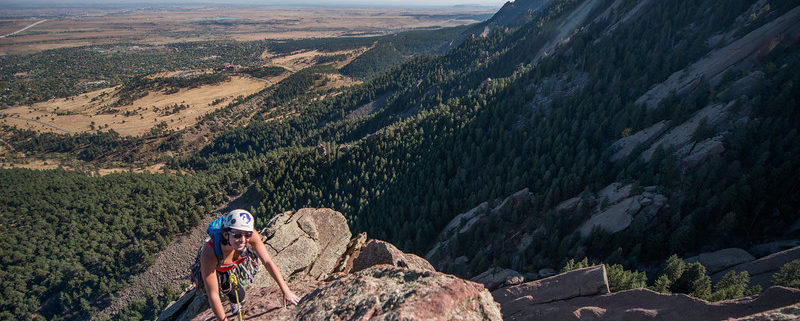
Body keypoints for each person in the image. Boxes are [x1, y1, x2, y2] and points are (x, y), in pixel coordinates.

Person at [199, 209, 300, 321]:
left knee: (240, 297)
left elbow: (267, 261)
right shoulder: (210, 253)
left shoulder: (251, 236)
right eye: (237, 235)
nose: (243, 240)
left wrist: (286, 290)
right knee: (226, 289)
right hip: (218, 267)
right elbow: (213, 294)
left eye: (247, 235)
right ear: (226, 234)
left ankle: (236, 302)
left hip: (233, 264)